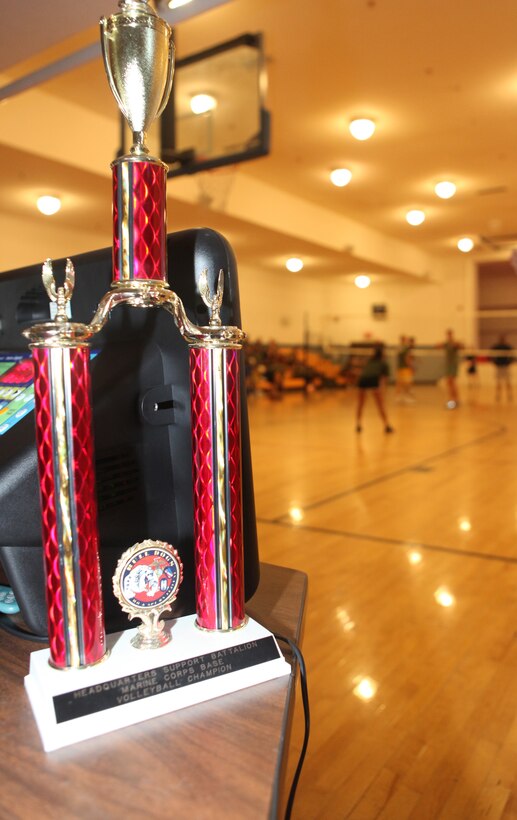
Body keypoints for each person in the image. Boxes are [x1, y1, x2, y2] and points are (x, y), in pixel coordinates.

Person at [356, 343, 394, 433]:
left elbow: (364, 372)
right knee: (380, 404)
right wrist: (383, 391)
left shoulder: (370, 361)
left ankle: (358, 425)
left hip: (362, 380)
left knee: (361, 404)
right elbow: (384, 379)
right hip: (373, 380)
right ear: (382, 353)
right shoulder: (384, 363)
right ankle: (387, 425)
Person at [438, 329, 463, 409]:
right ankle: (453, 400)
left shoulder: (454, 343)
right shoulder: (446, 344)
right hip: (448, 365)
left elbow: (461, 346)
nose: (449, 336)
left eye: (450, 334)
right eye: (447, 334)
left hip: (453, 365)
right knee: (449, 382)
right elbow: (437, 346)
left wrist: (458, 344)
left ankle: (455, 400)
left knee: (452, 381)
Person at [491, 334, 514, 402]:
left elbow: (512, 355)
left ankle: (509, 395)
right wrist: (495, 363)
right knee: (499, 382)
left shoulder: (507, 346)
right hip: (499, 367)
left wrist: (508, 362)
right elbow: (491, 354)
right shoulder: (496, 346)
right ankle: (498, 396)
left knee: (508, 382)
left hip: (505, 367)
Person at [395, 335, 415, 402]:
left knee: (400, 383)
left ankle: (399, 397)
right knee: (407, 383)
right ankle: (406, 397)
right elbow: (407, 359)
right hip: (405, 368)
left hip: (399, 367)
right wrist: (411, 367)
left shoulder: (398, 348)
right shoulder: (406, 348)